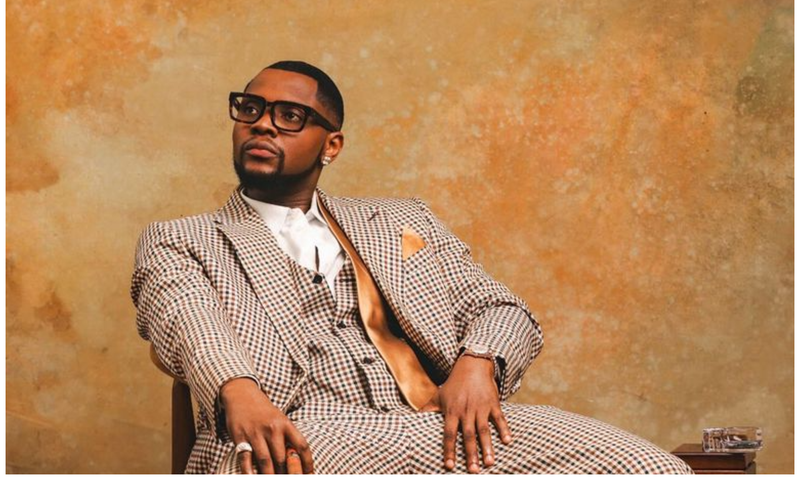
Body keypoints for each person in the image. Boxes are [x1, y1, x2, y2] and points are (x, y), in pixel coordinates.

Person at [130, 60, 693, 474]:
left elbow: (500, 307)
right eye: (251, 109)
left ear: (331, 146)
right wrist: (237, 391)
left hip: (439, 423)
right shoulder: (183, 239)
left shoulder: (401, 220)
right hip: (301, 432)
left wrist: (478, 364)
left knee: (650, 468)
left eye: (290, 116)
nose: (263, 125)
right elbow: (190, 321)